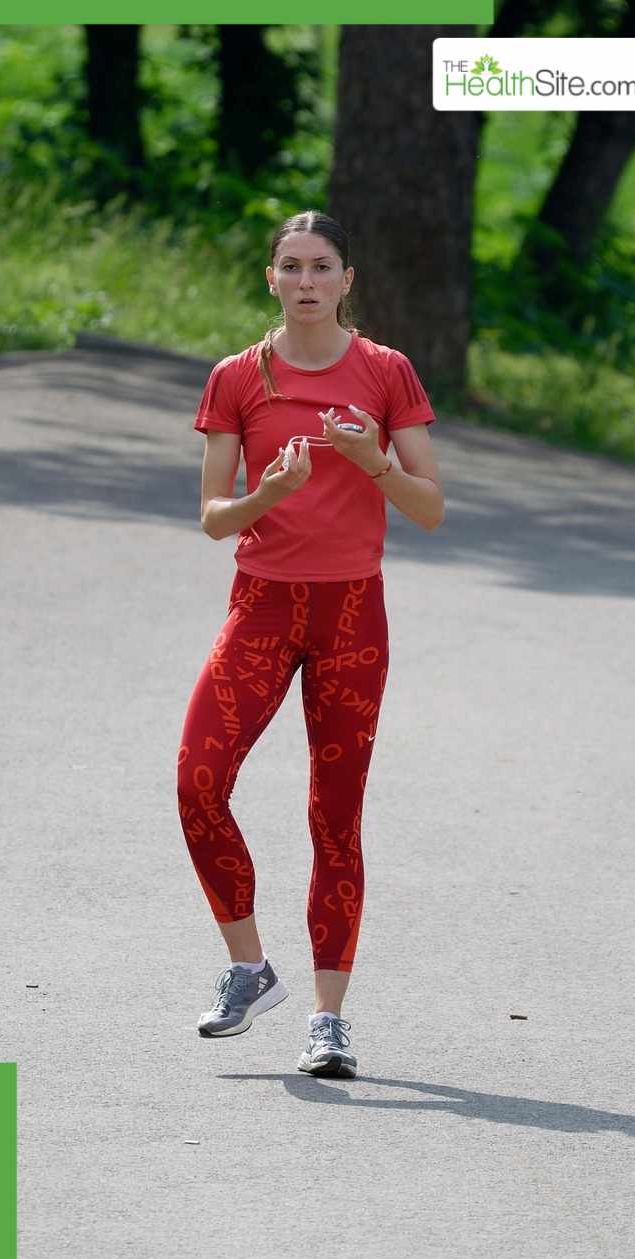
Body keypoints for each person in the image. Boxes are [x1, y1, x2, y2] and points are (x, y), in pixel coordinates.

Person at [177, 209, 444, 1078]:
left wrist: (372, 461)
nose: (305, 282)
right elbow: (215, 517)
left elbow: (430, 508)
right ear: (271, 278)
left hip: (351, 616)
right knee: (197, 781)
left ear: (346, 279)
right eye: (290, 266)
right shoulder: (237, 377)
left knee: (335, 815)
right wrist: (271, 491)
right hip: (262, 607)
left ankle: (329, 1020)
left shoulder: (386, 372)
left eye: (321, 266)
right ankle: (249, 969)